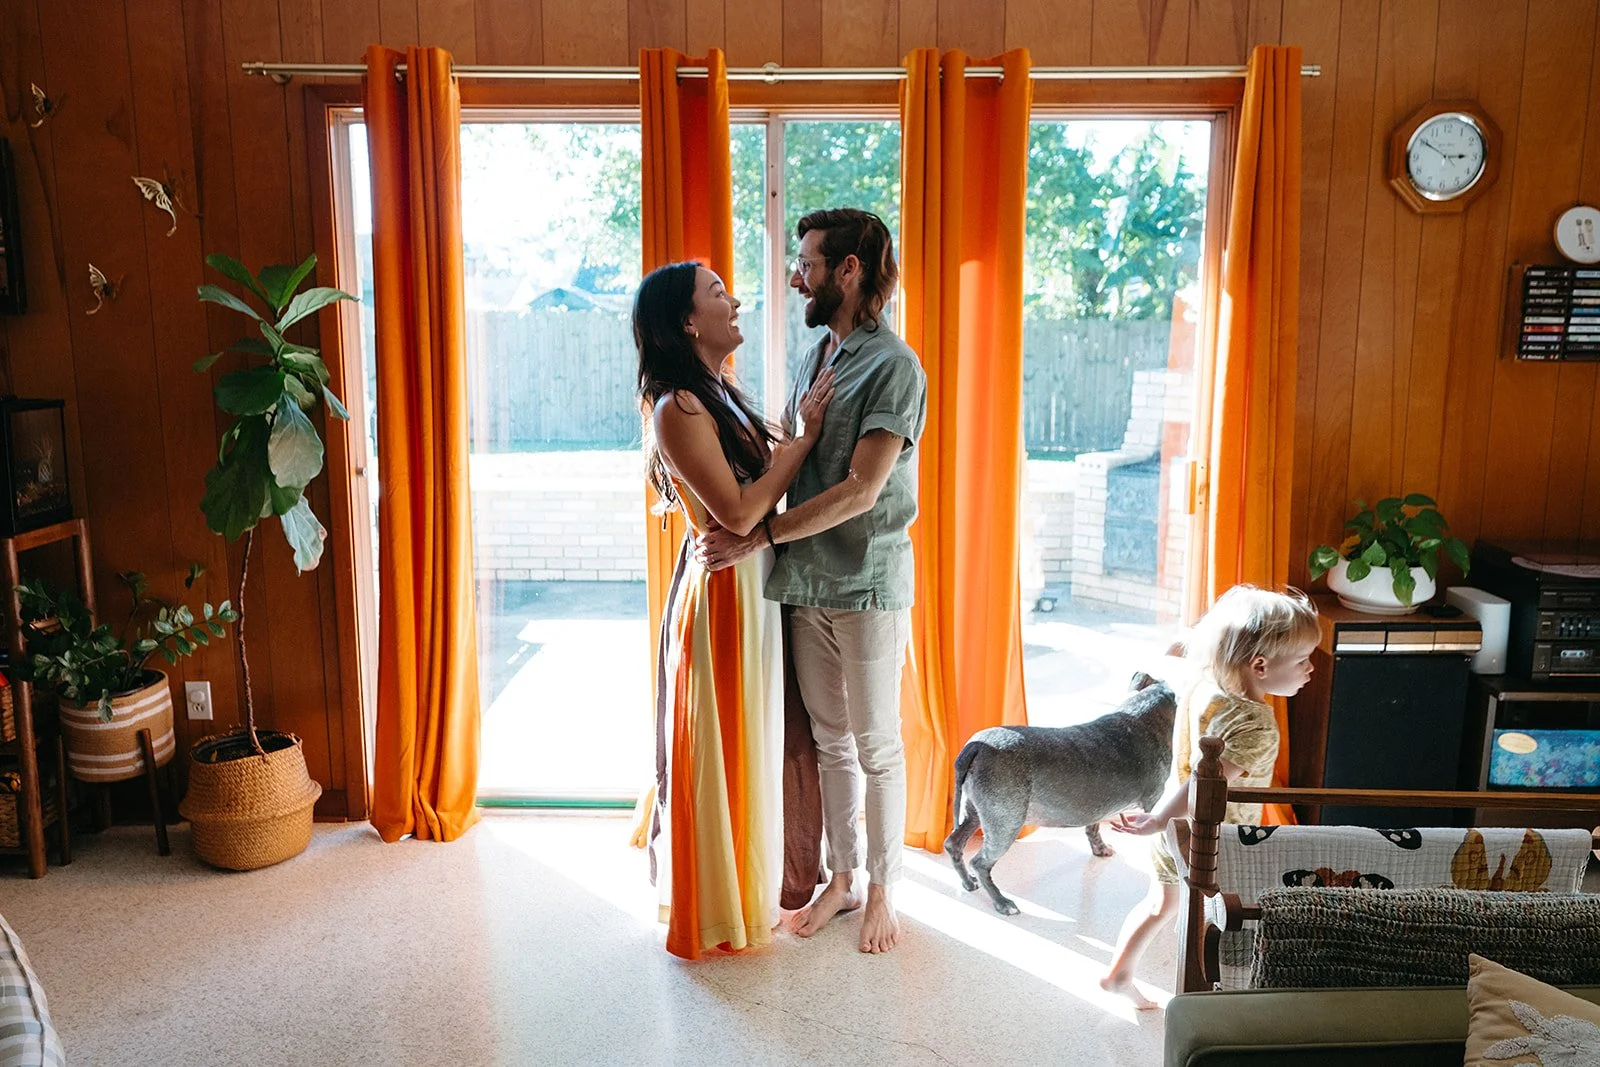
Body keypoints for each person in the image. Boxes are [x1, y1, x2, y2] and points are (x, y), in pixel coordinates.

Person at [697, 208, 927, 955]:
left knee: (875, 745)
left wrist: (758, 533)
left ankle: (884, 891)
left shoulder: (894, 364)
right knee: (830, 741)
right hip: (808, 584)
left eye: (808, 263)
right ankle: (843, 877)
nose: (797, 275)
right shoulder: (816, 358)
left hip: (865, 583)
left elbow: (862, 489)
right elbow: (798, 453)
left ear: (849, 271)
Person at [635, 260, 836, 961]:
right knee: (729, 745)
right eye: (718, 292)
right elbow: (742, 508)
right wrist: (803, 439)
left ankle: (754, 888)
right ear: (688, 321)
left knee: (753, 741)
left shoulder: (715, 393)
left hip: (754, 583)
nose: (736, 299)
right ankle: (719, 907)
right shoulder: (677, 408)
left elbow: (756, 503)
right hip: (726, 595)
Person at [1100, 585, 1321, 1008]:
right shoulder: (1257, 726)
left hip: (1174, 827)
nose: (1310, 669)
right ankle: (1209, 998)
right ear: (1260, 665)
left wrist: (1163, 820)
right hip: (1213, 839)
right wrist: (1158, 818)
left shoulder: (1205, 684)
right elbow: (1206, 781)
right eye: (1301, 661)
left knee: (1158, 904)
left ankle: (1118, 974)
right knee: (1215, 917)